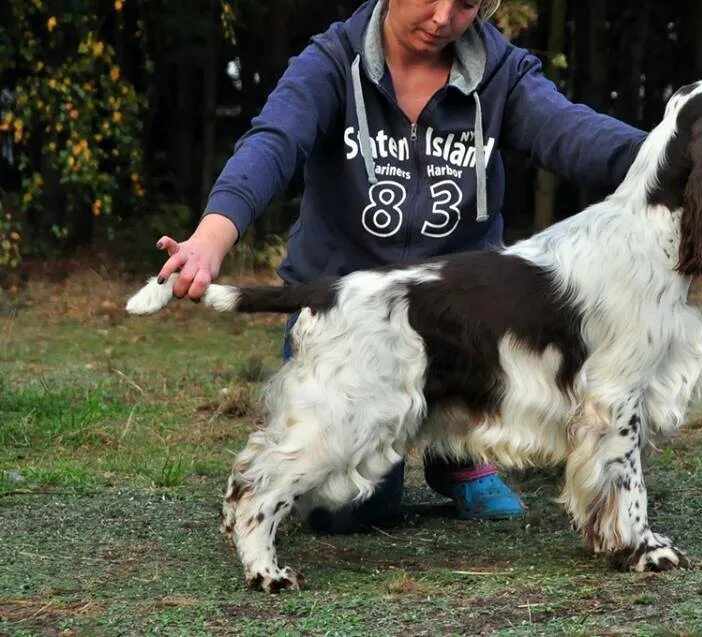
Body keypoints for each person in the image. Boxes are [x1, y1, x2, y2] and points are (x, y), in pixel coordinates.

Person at [155, 0, 647, 533]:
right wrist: (210, 238)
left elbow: (573, 133)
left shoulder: (502, 74)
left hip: (467, 327)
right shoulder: (331, 62)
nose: (441, 19)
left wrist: (666, 153)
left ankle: (457, 456)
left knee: (503, 360)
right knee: (340, 512)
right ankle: (296, 460)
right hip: (352, 315)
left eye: (465, 5)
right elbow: (273, 143)